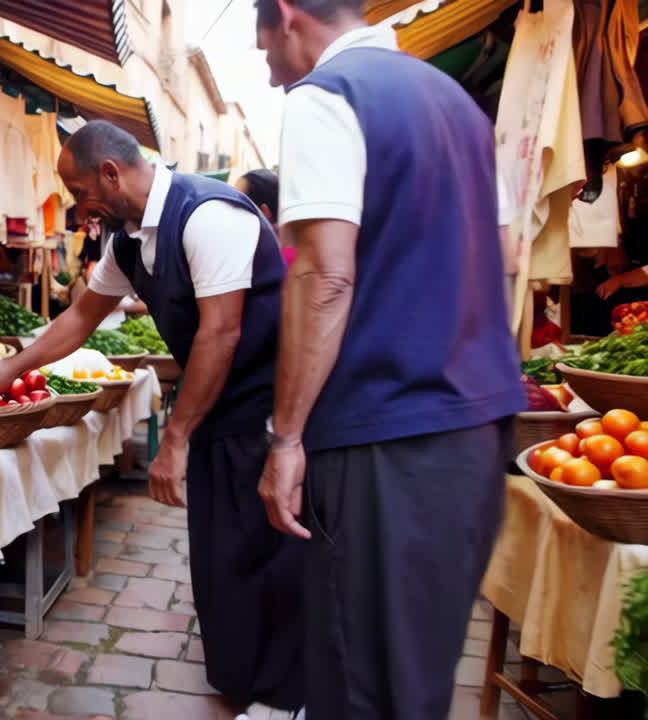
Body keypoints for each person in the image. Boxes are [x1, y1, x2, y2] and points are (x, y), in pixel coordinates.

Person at [0, 120, 304, 720]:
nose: (75, 206)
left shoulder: (209, 215)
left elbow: (221, 335)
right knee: (223, 552)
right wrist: (11, 366)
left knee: (265, 547)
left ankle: (284, 694)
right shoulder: (126, 239)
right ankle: (244, 681)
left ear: (110, 175)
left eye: (77, 190)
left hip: (268, 411)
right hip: (221, 409)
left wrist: (175, 438)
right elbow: (79, 319)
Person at [253, 3, 525, 719]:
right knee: (417, 674)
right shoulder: (460, 106)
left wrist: (285, 437)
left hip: (383, 434)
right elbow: (506, 256)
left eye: (260, 45)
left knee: (361, 682)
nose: (266, 65)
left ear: (284, 14)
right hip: (473, 429)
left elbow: (325, 276)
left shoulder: (328, 94)